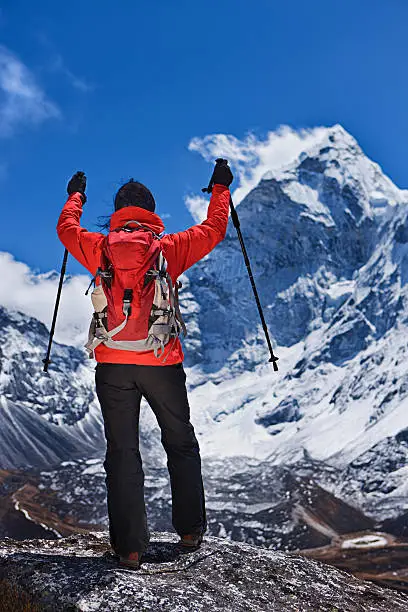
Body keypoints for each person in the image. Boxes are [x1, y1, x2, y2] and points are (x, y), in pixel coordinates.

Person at [57, 162, 233, 569]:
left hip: (113, 363)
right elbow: (214, 229)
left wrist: (75, 196)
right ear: (151, 212)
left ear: (117, 213)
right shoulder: (169, 248)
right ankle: (189, 531)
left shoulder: (98, 248)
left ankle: (130, 548)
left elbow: (66, 229)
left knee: (122, 451)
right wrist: (220, 188)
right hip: (161, 361)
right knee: (180, 442)